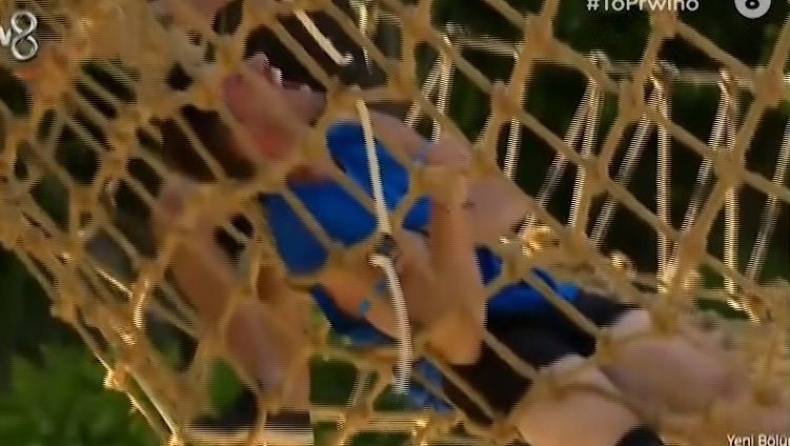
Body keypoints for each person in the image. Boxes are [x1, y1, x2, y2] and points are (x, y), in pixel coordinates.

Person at [152, 47, 790, 446]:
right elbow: (457, 334)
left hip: (546, 297)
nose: (260, 58)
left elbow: (507, 201)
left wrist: (434, 234)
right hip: (493, 363)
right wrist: (447, 207)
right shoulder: (311, 235)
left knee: (750, 417)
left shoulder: (360, 135)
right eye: (237, 75)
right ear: (243, 135)